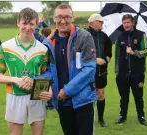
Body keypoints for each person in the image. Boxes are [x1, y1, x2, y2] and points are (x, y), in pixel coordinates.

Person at [40, 4, 97, 135]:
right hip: (61, 102)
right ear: (54, 18)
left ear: (73, 18)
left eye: (67, 17)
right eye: (59, 17)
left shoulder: (84, 37)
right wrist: (36, 83)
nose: (63, 21)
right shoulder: (47, 43)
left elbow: (89, 69)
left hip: (83, 101)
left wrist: (67, 90)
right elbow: (47, 70)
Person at [0, 7, 52, 135]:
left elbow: (46, 75)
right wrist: (16, 80)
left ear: (37, 24)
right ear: (18, 22)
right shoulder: (5, 46)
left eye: (31, 24)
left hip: (37, 96)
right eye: (24, 23)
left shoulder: (43, 49)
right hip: (14, 96)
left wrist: (49, 89)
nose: (27, 27)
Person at [114, 14, 147, 126]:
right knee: (123, 96)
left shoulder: (141, 35)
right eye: (124, 23)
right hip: (123, 73)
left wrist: (134, 52)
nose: (126, 25)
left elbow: (146, 51)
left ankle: (141, 117)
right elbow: (117, 55)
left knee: (138, 96)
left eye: (128, 22)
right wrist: (117, 71)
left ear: (133, 23)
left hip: (137, 73)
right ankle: (122, 116)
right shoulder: (120, 37)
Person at [85, 13, 112, 127]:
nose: (102, 23)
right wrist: (95, 59)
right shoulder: (84, 35)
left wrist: (108, 56)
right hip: (87, 72)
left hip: (101, 71)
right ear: (93, 22)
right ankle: (88, 118)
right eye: (100, 22)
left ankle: (101, 119)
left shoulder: (104, 36)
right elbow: (79, 53)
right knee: (88, 95)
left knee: (100, 94)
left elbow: (109, 49)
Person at [33, 16, 53, 110]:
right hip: (53, 62)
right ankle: (51, 102)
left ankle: (47, 102)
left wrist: (40, 23)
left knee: (44, 80)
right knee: (52, 82)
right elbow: (48, 28)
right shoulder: (53, 38)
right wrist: (44, 23)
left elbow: (34, 32)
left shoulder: (42, 40)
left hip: (44, 62)